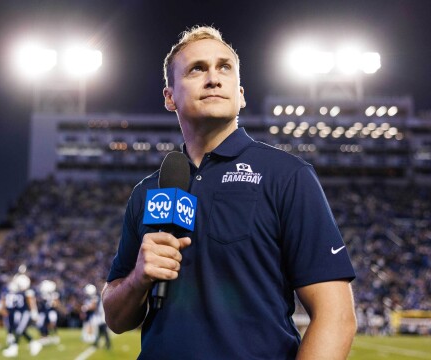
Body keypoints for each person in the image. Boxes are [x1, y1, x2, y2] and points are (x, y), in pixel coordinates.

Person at [102, 25, 357, 359]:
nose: (213, 78)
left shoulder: (288, 176)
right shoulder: (148, 191)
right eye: (197, 69)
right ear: (169, 97)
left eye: (225, 67)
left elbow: (336, 317)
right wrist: (138, 278)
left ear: (241, 93)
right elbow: (116, 318)